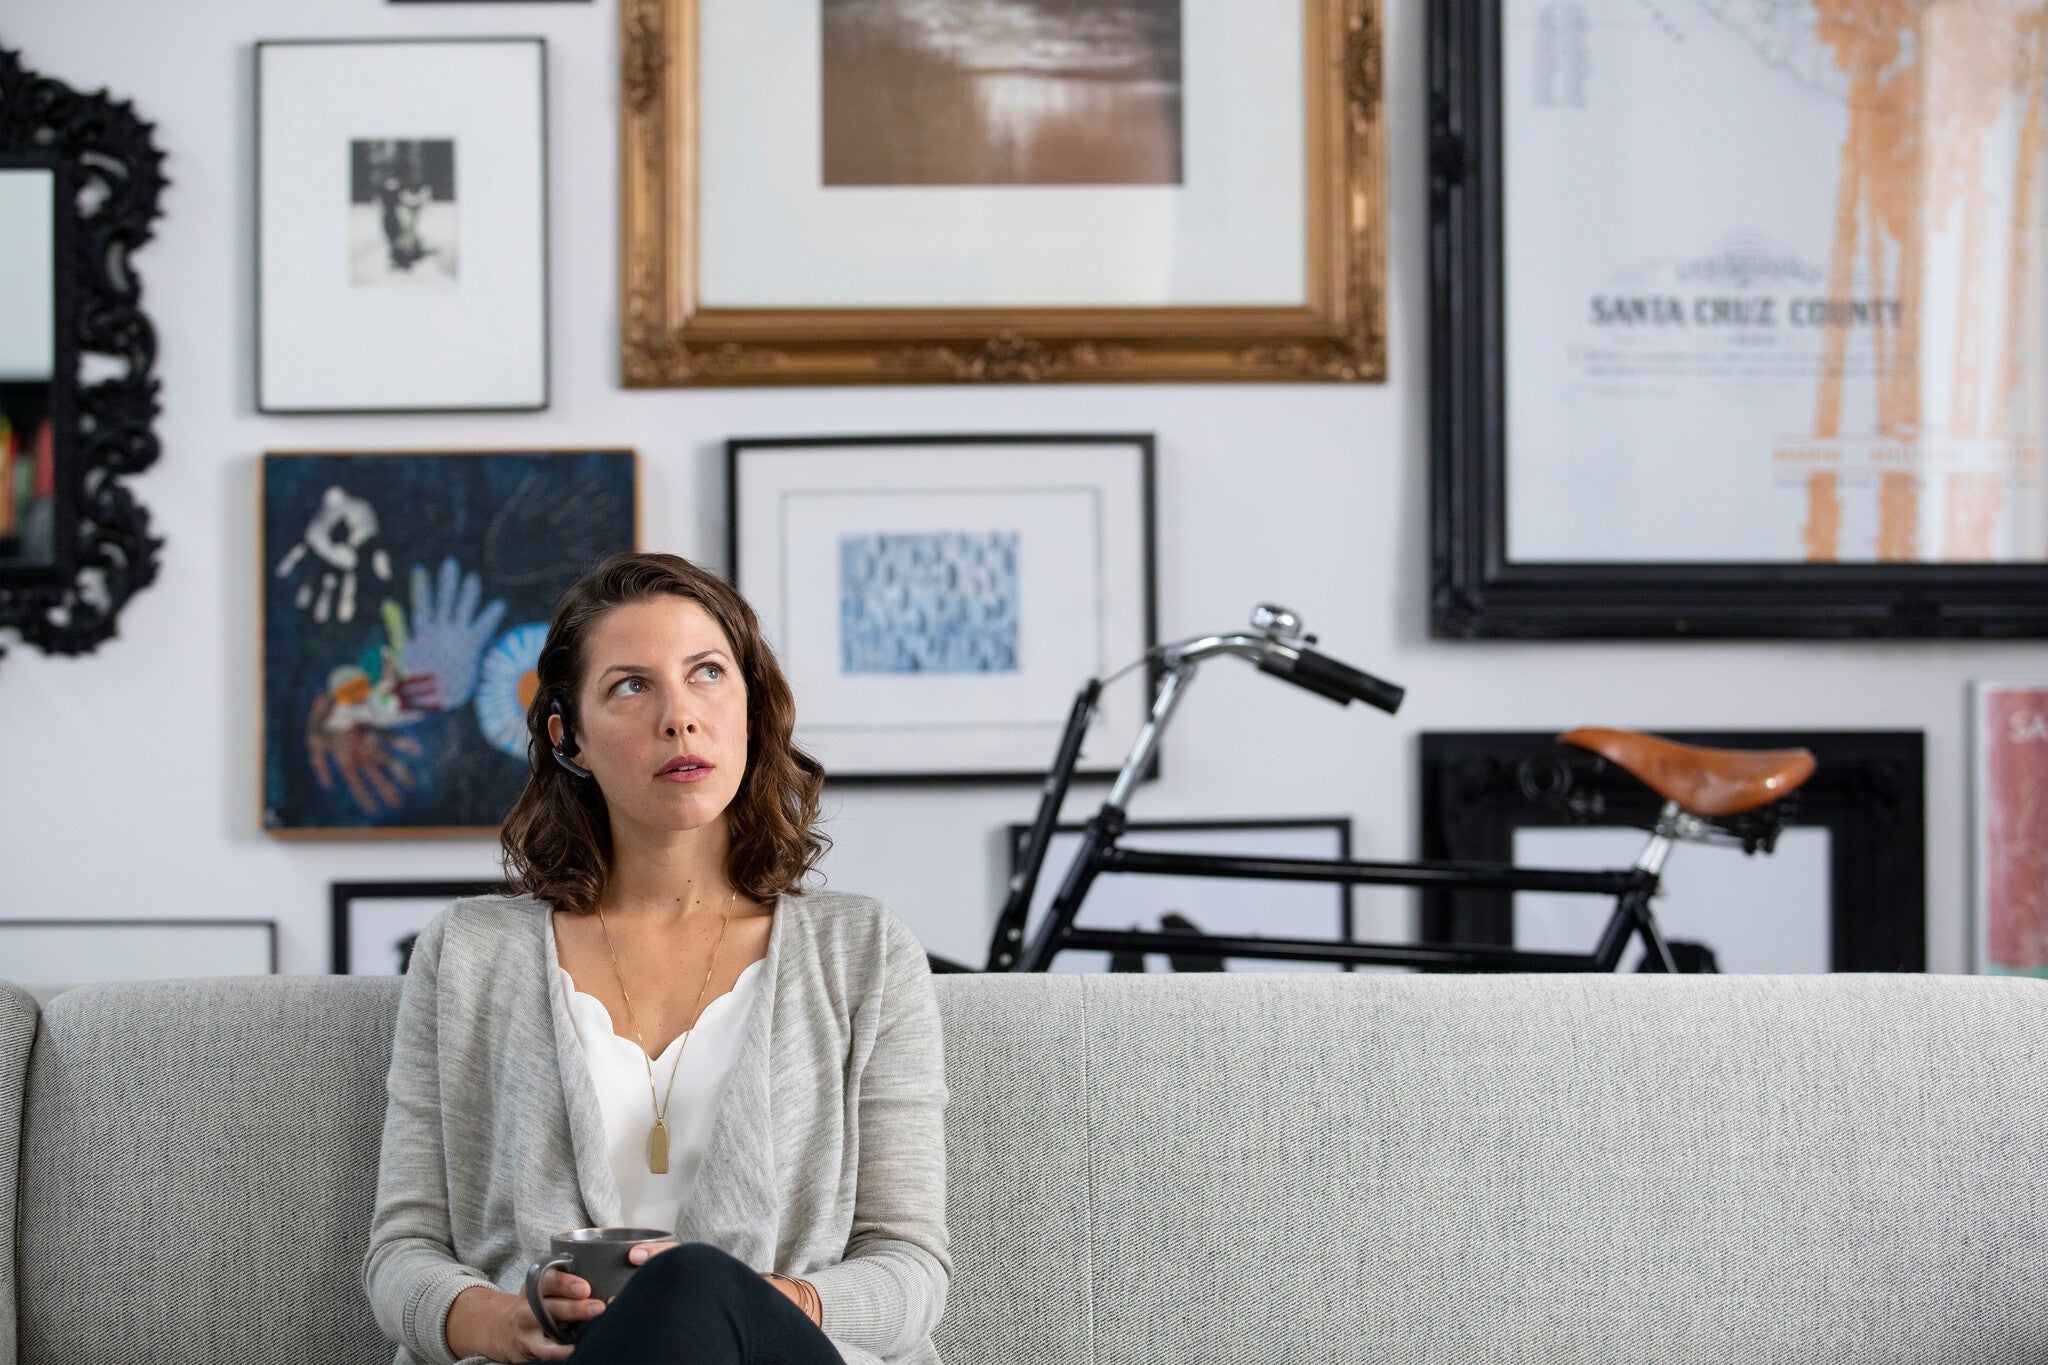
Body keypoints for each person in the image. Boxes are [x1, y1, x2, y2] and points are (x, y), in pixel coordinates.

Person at [362, 551, 952, 1365]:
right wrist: (504, 1322)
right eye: (631, 686)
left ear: (751, 706)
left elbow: (911, 1264)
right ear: (569, 737)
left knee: (692, 1284)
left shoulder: (866, 952)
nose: (680, 716)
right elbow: (403, 1251)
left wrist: (752, 1306)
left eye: (707, 673)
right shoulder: (467, 953)